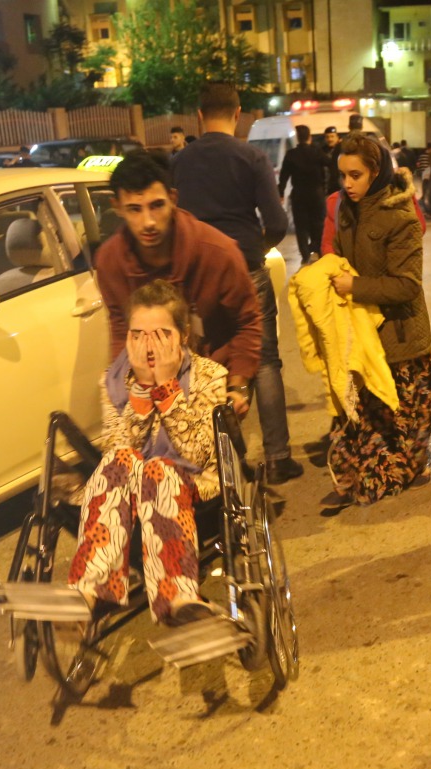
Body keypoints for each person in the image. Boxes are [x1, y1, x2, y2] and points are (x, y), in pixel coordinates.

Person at [68, 280, 226, 625]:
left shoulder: (211, 376)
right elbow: (117, 451)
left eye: (160, 333)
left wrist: (167, 387)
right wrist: (141, 388)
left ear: (183, 334)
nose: (148, 345)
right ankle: (90, 590)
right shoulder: (113, 380)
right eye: (138, 334)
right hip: (130, 490)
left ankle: (178, 596)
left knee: (160, 470)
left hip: (191, 484)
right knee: (118, 460)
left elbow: (198, 454)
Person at [171, 82, 301, 485]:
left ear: (198, 115)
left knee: (204, 363)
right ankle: (278, 457)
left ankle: (220, 462)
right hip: (246, 268)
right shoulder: (252, 157)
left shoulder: (177, 161)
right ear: (238, 112)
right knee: (263, 359)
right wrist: (254, 248)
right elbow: (278, 222)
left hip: (193, 276)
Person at [95, 151, 261, 416]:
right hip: (149, 386)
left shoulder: (218, 252)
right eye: (134, 209)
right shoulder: (110, 261)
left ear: (173, 199)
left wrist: (238, 385)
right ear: (117, 207)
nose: (148, 222)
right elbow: (120, 327)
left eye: (157, 205)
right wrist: (121, 384)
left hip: (210, 382)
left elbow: (247, 322)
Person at [323, 133, 431, 511]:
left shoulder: (400, 216)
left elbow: (407, 285)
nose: (347, 184)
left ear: (376, 171)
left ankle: (413, 467)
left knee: (403, 431)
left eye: (355, 175)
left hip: (401, 341)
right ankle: (360, 471)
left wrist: (353, 285)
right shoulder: (347, 210)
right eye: (342, 175)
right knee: (361, 423)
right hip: (364, 338)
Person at [279, 124, 326, 264]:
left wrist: (281, 192)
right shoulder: (317, 152)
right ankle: (317, 249)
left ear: (298, 138)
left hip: (299, 195)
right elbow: (330, 164)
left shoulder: (291, 154)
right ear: (309, 137)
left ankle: (305, 254)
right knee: (318, 223)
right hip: (316, 194)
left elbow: (283, 176)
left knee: (301, 226)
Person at [322, 127, 341, 194]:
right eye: (327, 137)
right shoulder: (322, 151)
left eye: (332, 136)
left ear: (337, 137)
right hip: (326, 188)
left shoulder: (342, 149)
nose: (330, 139)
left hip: (339, 188)